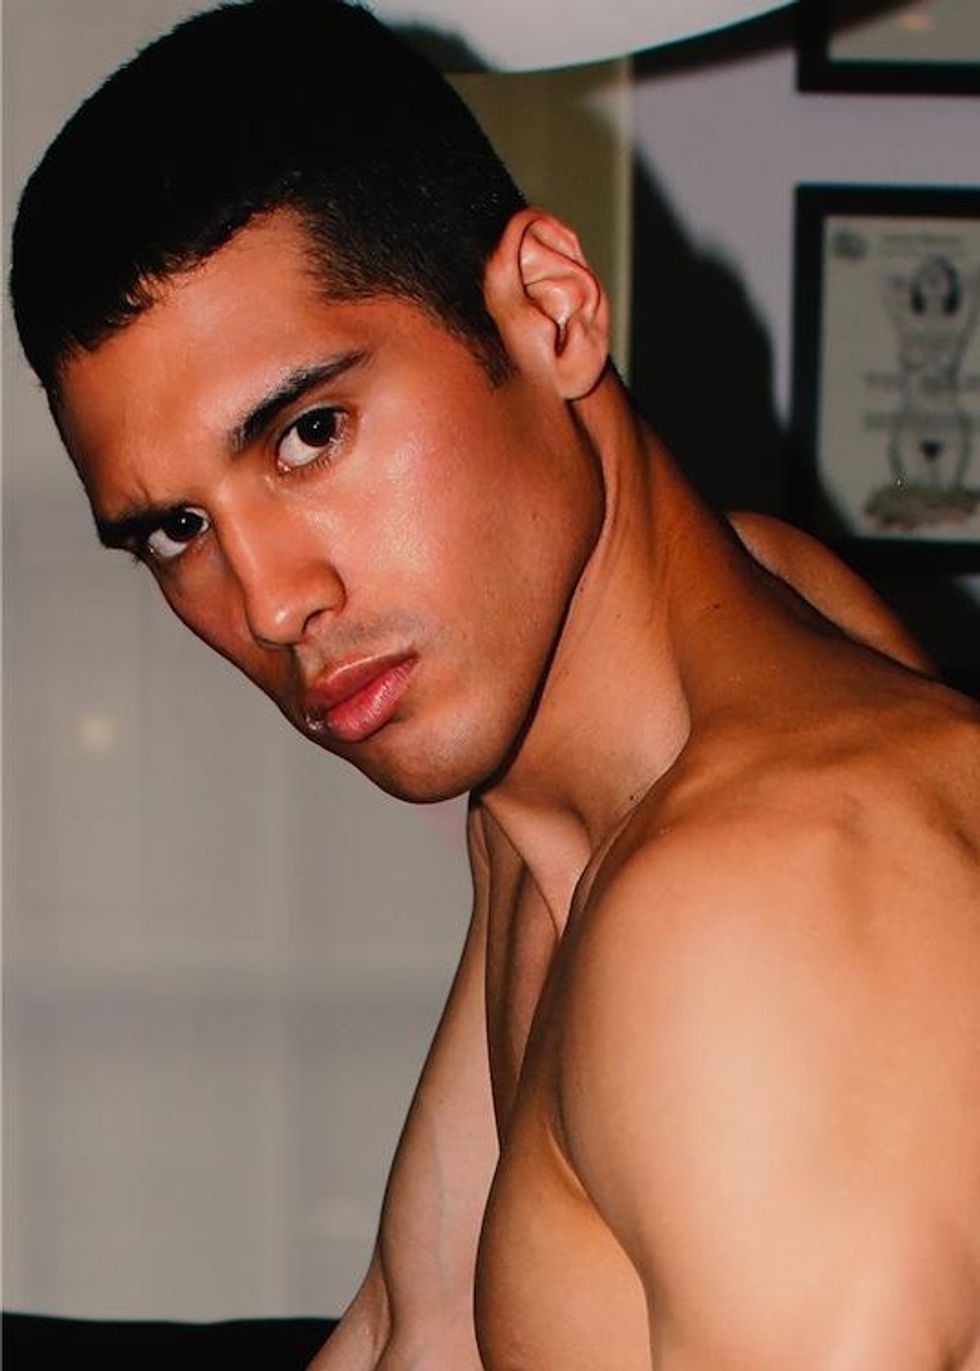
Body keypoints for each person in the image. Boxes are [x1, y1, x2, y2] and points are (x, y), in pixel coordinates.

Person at [10, 2, 980, 1366]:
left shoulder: (761, 903)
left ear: (551, 310)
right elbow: (417, 1326)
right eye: (177, 529)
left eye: (310, 433)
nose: (272, 602)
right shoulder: (581, 766)